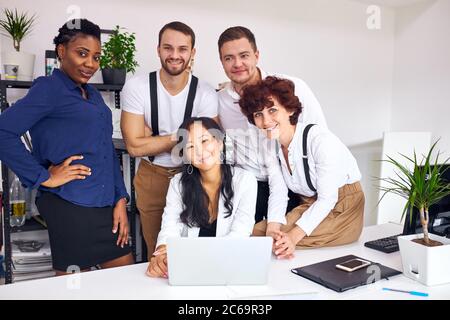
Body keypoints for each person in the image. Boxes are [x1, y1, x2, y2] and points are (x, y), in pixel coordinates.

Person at [0, 19, 134, 275]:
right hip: (70, 205)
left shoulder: (91, 95)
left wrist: (120, 199)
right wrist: (45, 177)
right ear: (62, 51)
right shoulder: (49, 89)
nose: (90, 64)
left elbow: (106, 151)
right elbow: (3, 131)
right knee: (74, 290)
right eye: (82, 54)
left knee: (123, 282)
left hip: (106, 206)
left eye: (96, 57)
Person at [121, 22, 219, 258]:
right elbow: (134, 146)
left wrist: (151, 138)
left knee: (197, 250)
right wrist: (183, 136)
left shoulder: (205, 92)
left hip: (194, 175)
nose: (175, 55)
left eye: (182, 49)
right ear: (158, 50)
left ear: (192, 53)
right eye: (168, 48)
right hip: (152, 175)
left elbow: (209, 146)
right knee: (159, 252)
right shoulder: (137, 87)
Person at [217, 26, 327, 235]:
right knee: (245, 245)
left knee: (288, 247)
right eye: (229, 58)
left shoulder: (292, 87)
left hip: (294, 184)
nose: (237, 63)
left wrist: (318, 190)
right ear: (222, 62)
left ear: (257, 56)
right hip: (250, 187)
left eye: (244, 55)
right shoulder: (220, 100)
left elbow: (318, 135)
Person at [239, 77, 364, 259]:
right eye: (258, 114)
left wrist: (292, 237)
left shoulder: (320, 141)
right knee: (256, 233)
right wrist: (272, 228)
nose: (266, 121)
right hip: (309, 205)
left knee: (275, 243)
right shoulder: (270, 144)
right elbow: (279, 189)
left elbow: (328, 199)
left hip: (342, 207)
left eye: (272, 110)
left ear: (289, 109)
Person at [146, 117, 257, 278]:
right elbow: (170, 226)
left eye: (204, 141)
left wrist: (202, 258)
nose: (199, 151)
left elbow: (240, 232)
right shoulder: (178, 184)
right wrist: (162, 253)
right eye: (190, 146)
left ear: (220, 142)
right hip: (188, 269)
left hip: (227, 267)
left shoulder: (245, 180)